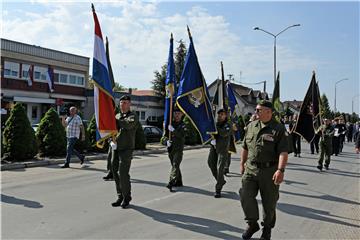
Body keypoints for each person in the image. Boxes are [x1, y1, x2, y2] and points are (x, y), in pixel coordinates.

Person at [239, 100, 288, 240]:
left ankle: (267, 229)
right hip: (251, 168)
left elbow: (283, 152)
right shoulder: (251, 126)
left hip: (269, 170)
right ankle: (252, 223)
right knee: (245, 195)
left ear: (269, 111)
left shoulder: (278, 129)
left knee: (269, 202)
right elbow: (245, 147)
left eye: (259, 110)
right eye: (256, 110)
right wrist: (242, 163)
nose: (256, 112)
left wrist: (280, 170)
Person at [110, 95, 139, 208]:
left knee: (122, 173)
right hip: (116, 147)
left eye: (125, 102)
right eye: (121, 102)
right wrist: (110, 141)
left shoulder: (133, 116)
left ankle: (127, 197)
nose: (123, 104)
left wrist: (115, 119)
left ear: (129, 104)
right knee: (114, 172)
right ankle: (120, 196)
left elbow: (127, 125)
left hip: (126, 148)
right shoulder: (117, 115)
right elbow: (111, 130)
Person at [162, 105, 186, 192]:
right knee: (175, 166)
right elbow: (163, 138)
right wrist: (166, 142)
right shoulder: (170, 124)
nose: (176, 115)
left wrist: (173, 131)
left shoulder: (183, 125)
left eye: (178, 113)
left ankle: (171, 182)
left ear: (182, 115)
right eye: (175, 113)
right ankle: (179, 181)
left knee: (175, 165)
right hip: (171, 149)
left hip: (178, 150)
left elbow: (181, 135)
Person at [208, 108, 231, 198]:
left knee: (220, 168)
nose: (220, 116)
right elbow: (210, 134)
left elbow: (223, 133)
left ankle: (218, 189)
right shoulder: (215, 124)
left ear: (225, 116)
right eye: (219, 114)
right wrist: (211, 139)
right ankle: (220, 180)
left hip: (223, 149)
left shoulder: (228, 125)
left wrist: (214, 128)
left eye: (222, 114)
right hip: (213, 148)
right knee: (210, 163)